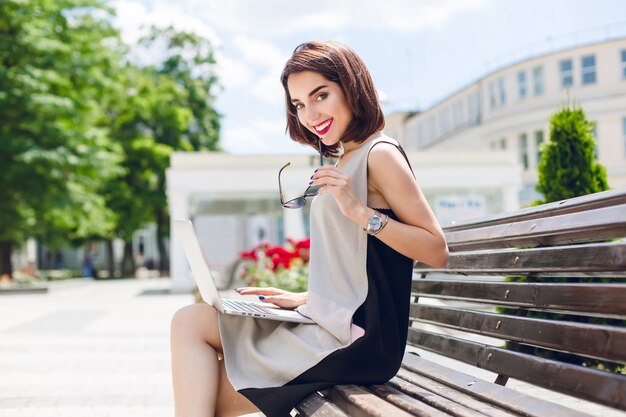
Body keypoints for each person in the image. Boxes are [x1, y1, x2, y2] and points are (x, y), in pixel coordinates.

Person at [170, 40, 448, 417]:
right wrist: (306, 297)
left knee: (201, 394)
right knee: (190, 321)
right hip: (333, 323)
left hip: (359, 342)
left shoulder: (379, 154)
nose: (310, 113)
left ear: (351, 87)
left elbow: (436, 249)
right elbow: (358, 262)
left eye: (321, 95)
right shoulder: (345, 158)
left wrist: (361, 212)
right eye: (299, 104)